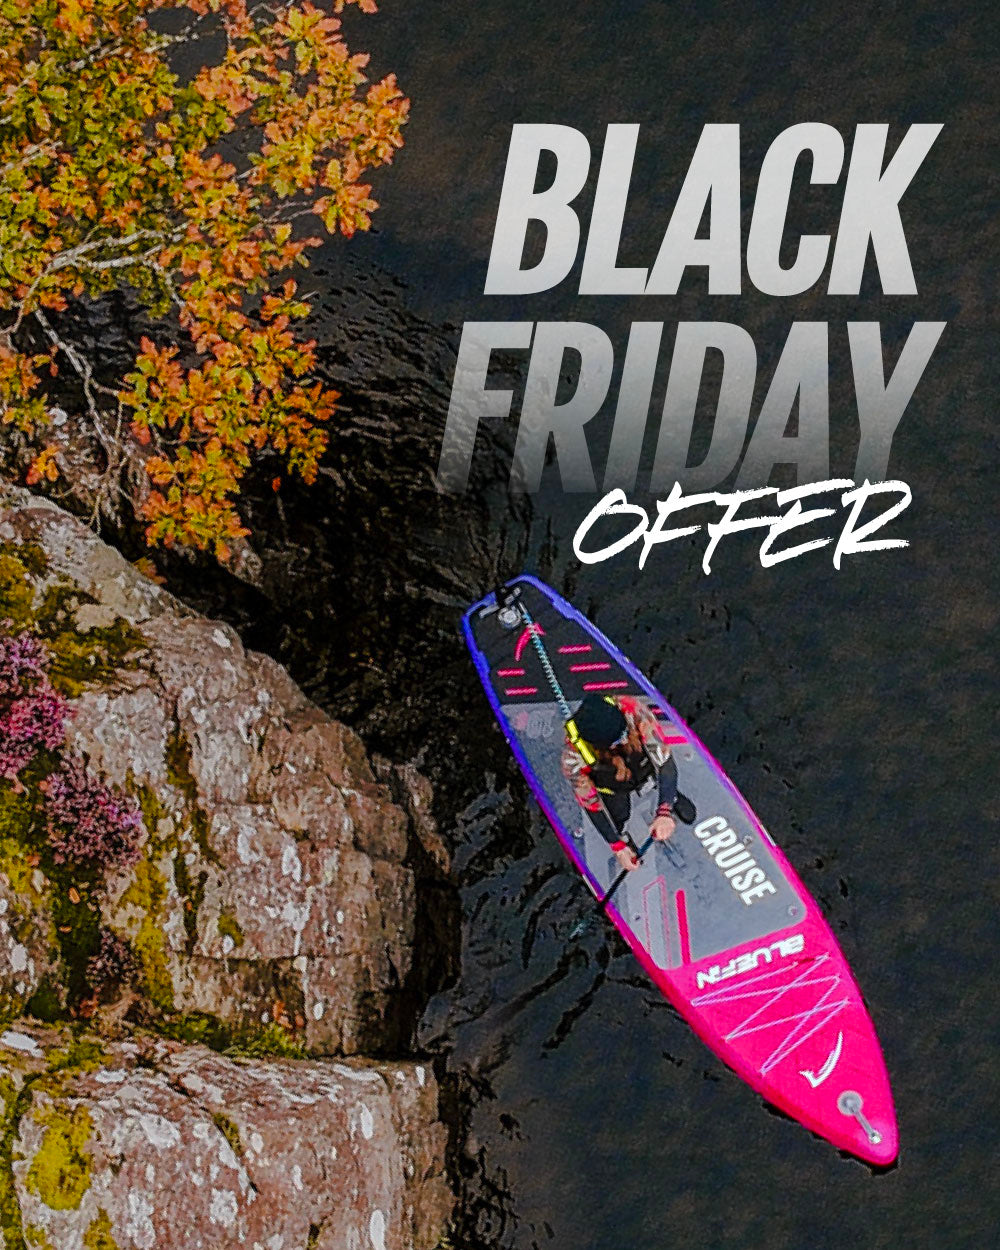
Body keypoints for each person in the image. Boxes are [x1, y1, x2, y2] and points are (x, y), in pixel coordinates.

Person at [561, 692, 679, 873]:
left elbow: (665, 761)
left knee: (653, 771)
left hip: (641, 766)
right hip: (612, 786)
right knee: (620, 813)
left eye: (624, 734)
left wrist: (664, 810)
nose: (624, 740)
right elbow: (591, 804)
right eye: (617, 740)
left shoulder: (636, 713)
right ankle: (623, 834)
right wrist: (616, 845)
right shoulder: (573, 758)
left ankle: (666, 793)